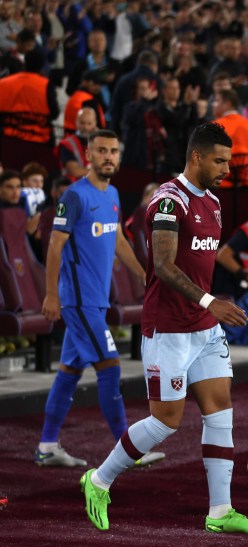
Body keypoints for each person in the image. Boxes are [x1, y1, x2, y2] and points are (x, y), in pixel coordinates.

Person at [80, 122, 248, 535]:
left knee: (220, 414)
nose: (226, 169)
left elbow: (199, 265)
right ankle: (98, 481)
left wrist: (210, 306)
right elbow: (163, 267)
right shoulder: (168, 201)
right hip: (168, 329)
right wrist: (210, 301)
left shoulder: (215, 204)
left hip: (204, 328)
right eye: (219, 161)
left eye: (228, 161)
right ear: (196, 156)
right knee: (165, 422)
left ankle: (221, 511)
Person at [37, 130, 163, 468]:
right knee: (110, 367)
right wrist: (51, 295)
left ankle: (47, 445)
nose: (109, 156)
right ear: (89, 157)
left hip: (95, 300)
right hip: (78, 302)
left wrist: (142, 274)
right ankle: (128, 450)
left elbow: (119, 237)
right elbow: (54, 246)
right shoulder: (75, 196)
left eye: (114, 151)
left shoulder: (114, 194)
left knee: (68, 372)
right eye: (102, 151)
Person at [58, 107, 98, 181]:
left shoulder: (98, 142)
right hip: (72, 187)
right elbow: (75, 172)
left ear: (95, 123)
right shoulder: (68, 144)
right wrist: (98, 172)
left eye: (89, 123)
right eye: (82, 123)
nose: (85, 127)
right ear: (76, 121)